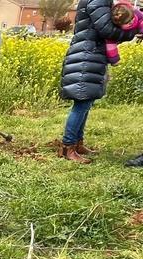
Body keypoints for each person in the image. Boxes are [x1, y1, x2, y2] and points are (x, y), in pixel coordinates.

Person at [58, 0, 137, 163]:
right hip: (86, 56)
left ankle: (78, 143)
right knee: (81, 103)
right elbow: (107, 29)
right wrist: (133, 30)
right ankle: (67, 147)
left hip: (91, 55)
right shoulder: (97, 0)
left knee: (86, 101)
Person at [105, 0, 142, 65]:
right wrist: (114, 60)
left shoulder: (135, 13)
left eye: (132, 18)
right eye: (128, 22)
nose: (132, 22)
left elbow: (141, 20)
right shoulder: (114, 31)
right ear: (119, 24)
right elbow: (110, 46)